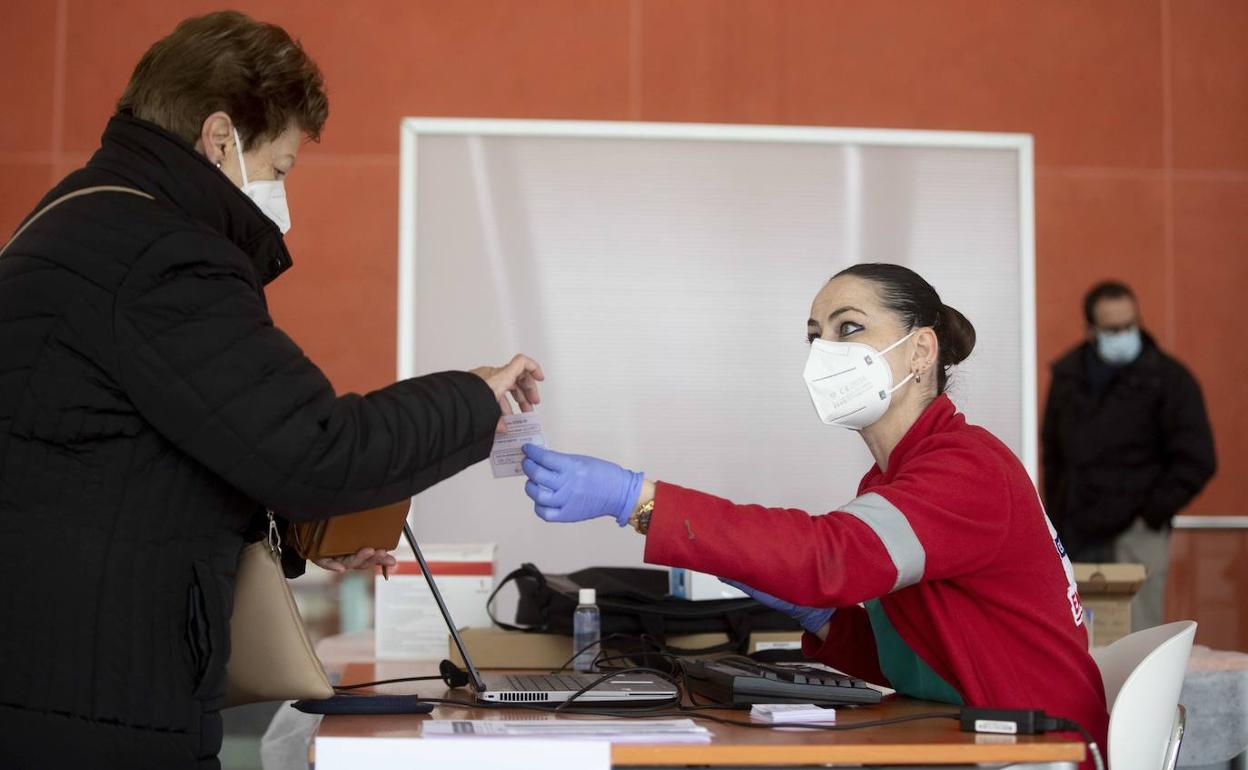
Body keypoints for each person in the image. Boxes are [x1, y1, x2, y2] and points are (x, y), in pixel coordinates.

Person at [0, 12, 541, 770]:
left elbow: (131, 452)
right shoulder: (162, 257)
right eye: (280, 169)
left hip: (48, 680)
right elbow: (318, 448)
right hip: (98, 704)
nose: (283, 196)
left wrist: (301, 528)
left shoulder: (73, 220)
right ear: (220, 138)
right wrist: (476, 399)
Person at [520, 263, 1109, 766]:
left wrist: (638, 499)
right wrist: (824, 617)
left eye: (849, 328)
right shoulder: (896, 476)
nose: (825, 353)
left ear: (922, 350)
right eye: (814, 337)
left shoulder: (967, 468)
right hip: (980, 728)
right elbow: (911, 660)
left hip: (1036, 748)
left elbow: (831, 556)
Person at [1043, 280, 1215, 631]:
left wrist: (1151, 514)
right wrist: (1059, 512)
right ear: (1091, 330)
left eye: (1129, 325)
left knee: (1139, 636)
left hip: (1136, 534)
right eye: (1112, 328)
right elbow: (1054, 453)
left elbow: (1197, 459)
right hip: (1077, 531)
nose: (1123, 334)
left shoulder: (1169, 379)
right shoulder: (1068, 376)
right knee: (1082, 638)